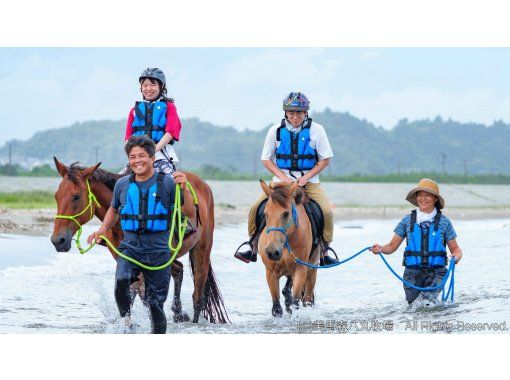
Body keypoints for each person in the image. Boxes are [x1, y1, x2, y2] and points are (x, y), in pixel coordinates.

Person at [87, 135, 195, 333]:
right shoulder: (122, 185)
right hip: (130, 247)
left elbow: (190, 212)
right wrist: (102, 229)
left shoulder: (168, 183)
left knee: (155, 305)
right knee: (121, 281)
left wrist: (185, 189)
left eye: (142, 155)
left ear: (153, 158)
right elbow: (114, 210)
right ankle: (126, 321)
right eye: (132, 157)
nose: (137, 160)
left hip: (159, 251)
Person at [234, 91, 339, 266]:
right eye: (291, 113)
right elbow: (266, 159)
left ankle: (325, 250)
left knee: (327, 212)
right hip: (280, 182)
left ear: (306, 113)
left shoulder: (317, 130)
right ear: (285, 113)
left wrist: (305, 178)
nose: (295, 117)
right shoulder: (275, 131)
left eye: (299, 113)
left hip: (309, 182)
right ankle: (251, 245)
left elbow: (325, 160)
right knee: (254, 208)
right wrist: (283, 177)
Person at [369, 178, 463, 305]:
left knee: (428, 303)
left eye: (427, 195)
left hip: (437, 273)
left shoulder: (444, 222)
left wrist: (456, 257)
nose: (422, 198)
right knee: (414, 306)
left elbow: (456, 249)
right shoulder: (407, 220)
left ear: (435, 199)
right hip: (412, 275)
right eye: (420, 195)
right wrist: (380, 248)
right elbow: (391, 246)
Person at [121, 67, 182, 174]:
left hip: (160, 155)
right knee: (116, 182)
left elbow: (170, 132)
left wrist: (153, 151)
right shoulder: (134, 111)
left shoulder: (169, 107)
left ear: (161, 87)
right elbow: (128, 138)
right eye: (145, 85)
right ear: (141, 88)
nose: (148, 88)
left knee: (169, 182)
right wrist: (135, 156)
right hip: (137, 158)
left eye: (153, 84)